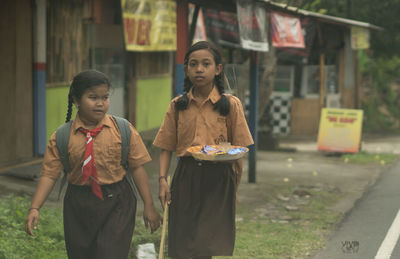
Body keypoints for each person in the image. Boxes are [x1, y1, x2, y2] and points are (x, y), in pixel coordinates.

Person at [25, 69, 162, 259]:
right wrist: (35, 207)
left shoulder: (122, 129)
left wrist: (149, 205)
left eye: (105, 97)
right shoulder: (63, 137)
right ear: (76, 100)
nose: (100, 103)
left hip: (118, 201)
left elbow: (137, 168)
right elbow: (49, 174)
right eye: (93, 97)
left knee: (109, 253)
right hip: (79, 204)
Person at [153, 41, 254, 259]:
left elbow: (240, 149)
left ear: (217, 69)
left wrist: (234, 186)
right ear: (186, 69)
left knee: (206, 243)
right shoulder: (177, 105)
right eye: (193, 64)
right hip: (186, 175)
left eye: (206, 64)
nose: (199, 69)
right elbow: (166, 147)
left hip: (219, 176)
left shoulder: (230, 104)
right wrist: (162, 180)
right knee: (182, 238)